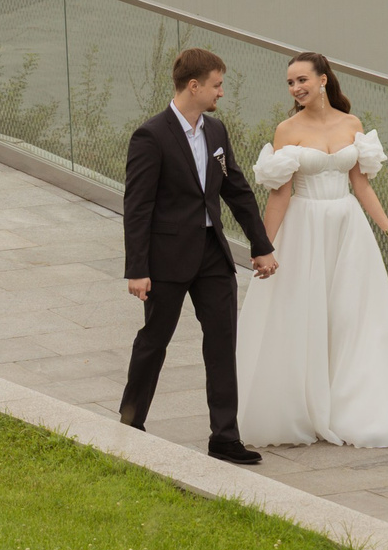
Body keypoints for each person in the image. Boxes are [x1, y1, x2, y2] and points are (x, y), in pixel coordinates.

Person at [238, 52, 388, 448]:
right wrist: (262, 246)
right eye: (290, 82)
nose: (295, 88)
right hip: (304, 228)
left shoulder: (352, 124)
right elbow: (279, 196)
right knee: (302, 315)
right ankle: (302, 407)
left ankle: (355, 408)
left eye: (302, 79)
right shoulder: (287, 130)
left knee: (352, 317)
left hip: (347, 227)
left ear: (323, 80)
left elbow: (362, 185)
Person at [119, 47, 277, 465]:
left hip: (211, 256)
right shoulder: (150, 135)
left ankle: (224, 437)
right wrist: (137, 269)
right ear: (194, 86)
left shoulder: (216, 132)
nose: (220, 93)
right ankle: (129, 424)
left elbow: (236, 190)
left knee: (223, 344)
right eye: (216, 85)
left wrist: (261, 246)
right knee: (154, 341)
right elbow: (137, 208)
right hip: (166, 260)